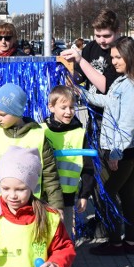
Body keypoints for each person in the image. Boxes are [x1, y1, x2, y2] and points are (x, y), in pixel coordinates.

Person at [78, 36, 134, 256]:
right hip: (133, 148)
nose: (113, 62)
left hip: (125, 151)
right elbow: (108, 102)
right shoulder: (127, 80)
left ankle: (115, 242)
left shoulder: (131, 85)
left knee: (107, 194)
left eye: (118, 57)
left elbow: (127, 123)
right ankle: (130, 242)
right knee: (128, 193)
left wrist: (116, 153)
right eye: (112, 58)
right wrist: (81, 93)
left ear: (130, 56)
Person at [60, 8, 120, 241]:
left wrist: (81, 60)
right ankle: (105, 223)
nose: (102, 41)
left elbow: (105, 86)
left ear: (117, 32)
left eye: (106, 36)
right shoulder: (92, 47)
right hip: (95, 120)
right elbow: (82, 79)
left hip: (113, 123)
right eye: (98, 36)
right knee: (94, 172)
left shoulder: (121, 50)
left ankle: (111, 230)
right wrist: (69, 74)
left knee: (106, 179)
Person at [0, 83, 63, 211]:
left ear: (16, 112)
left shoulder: (38, 136)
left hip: (31, 207)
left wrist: (57, 207)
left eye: (2, 115)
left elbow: (50, 176)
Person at [42, 86, 93, 237]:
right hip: (45, 195)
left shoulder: (79, 133)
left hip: (67, 195)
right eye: (63, 107)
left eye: (72, 107)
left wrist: (84, 195)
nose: (68, 111)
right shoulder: (41, 130)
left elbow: (88, 167)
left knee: (65, 233)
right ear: (51, 107)